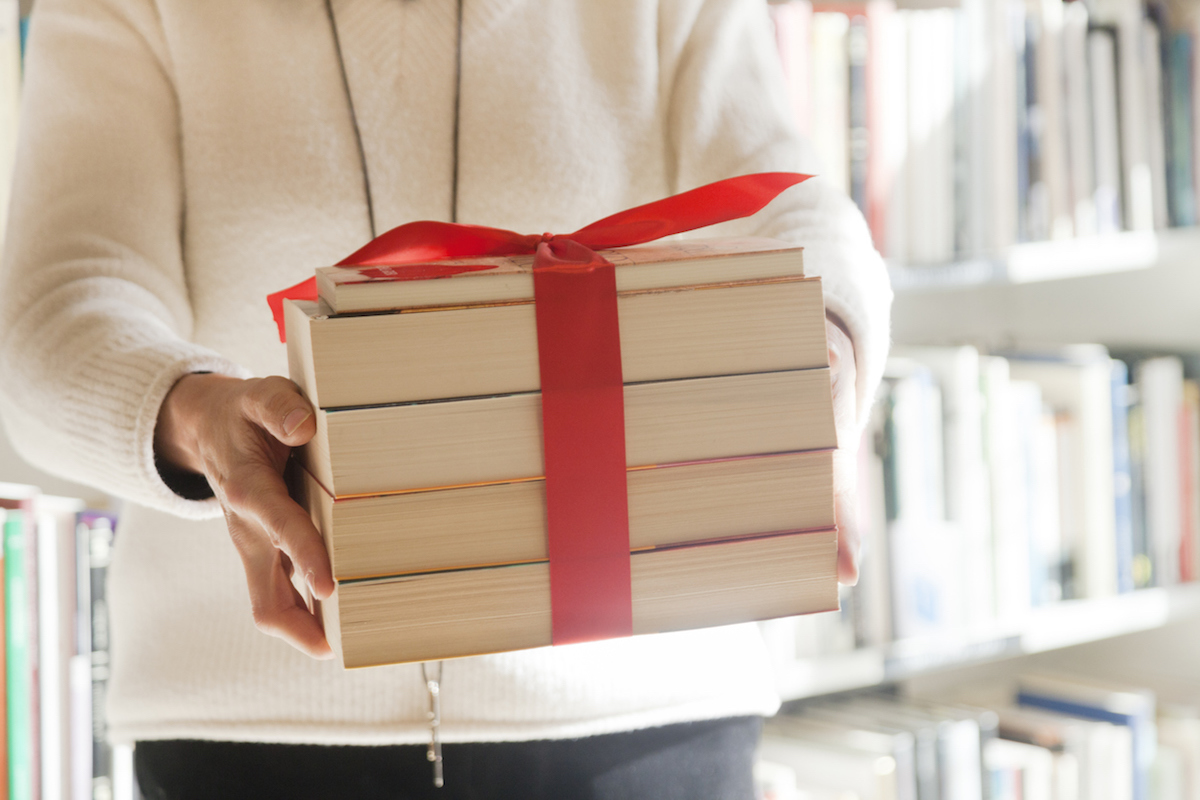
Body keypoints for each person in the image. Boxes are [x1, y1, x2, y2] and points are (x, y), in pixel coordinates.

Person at [0, 0, 892, 797]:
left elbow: (802, 218)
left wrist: (832, 349)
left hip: (644, 725)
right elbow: (54, 311)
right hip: (246, 734)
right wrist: (188, 414)